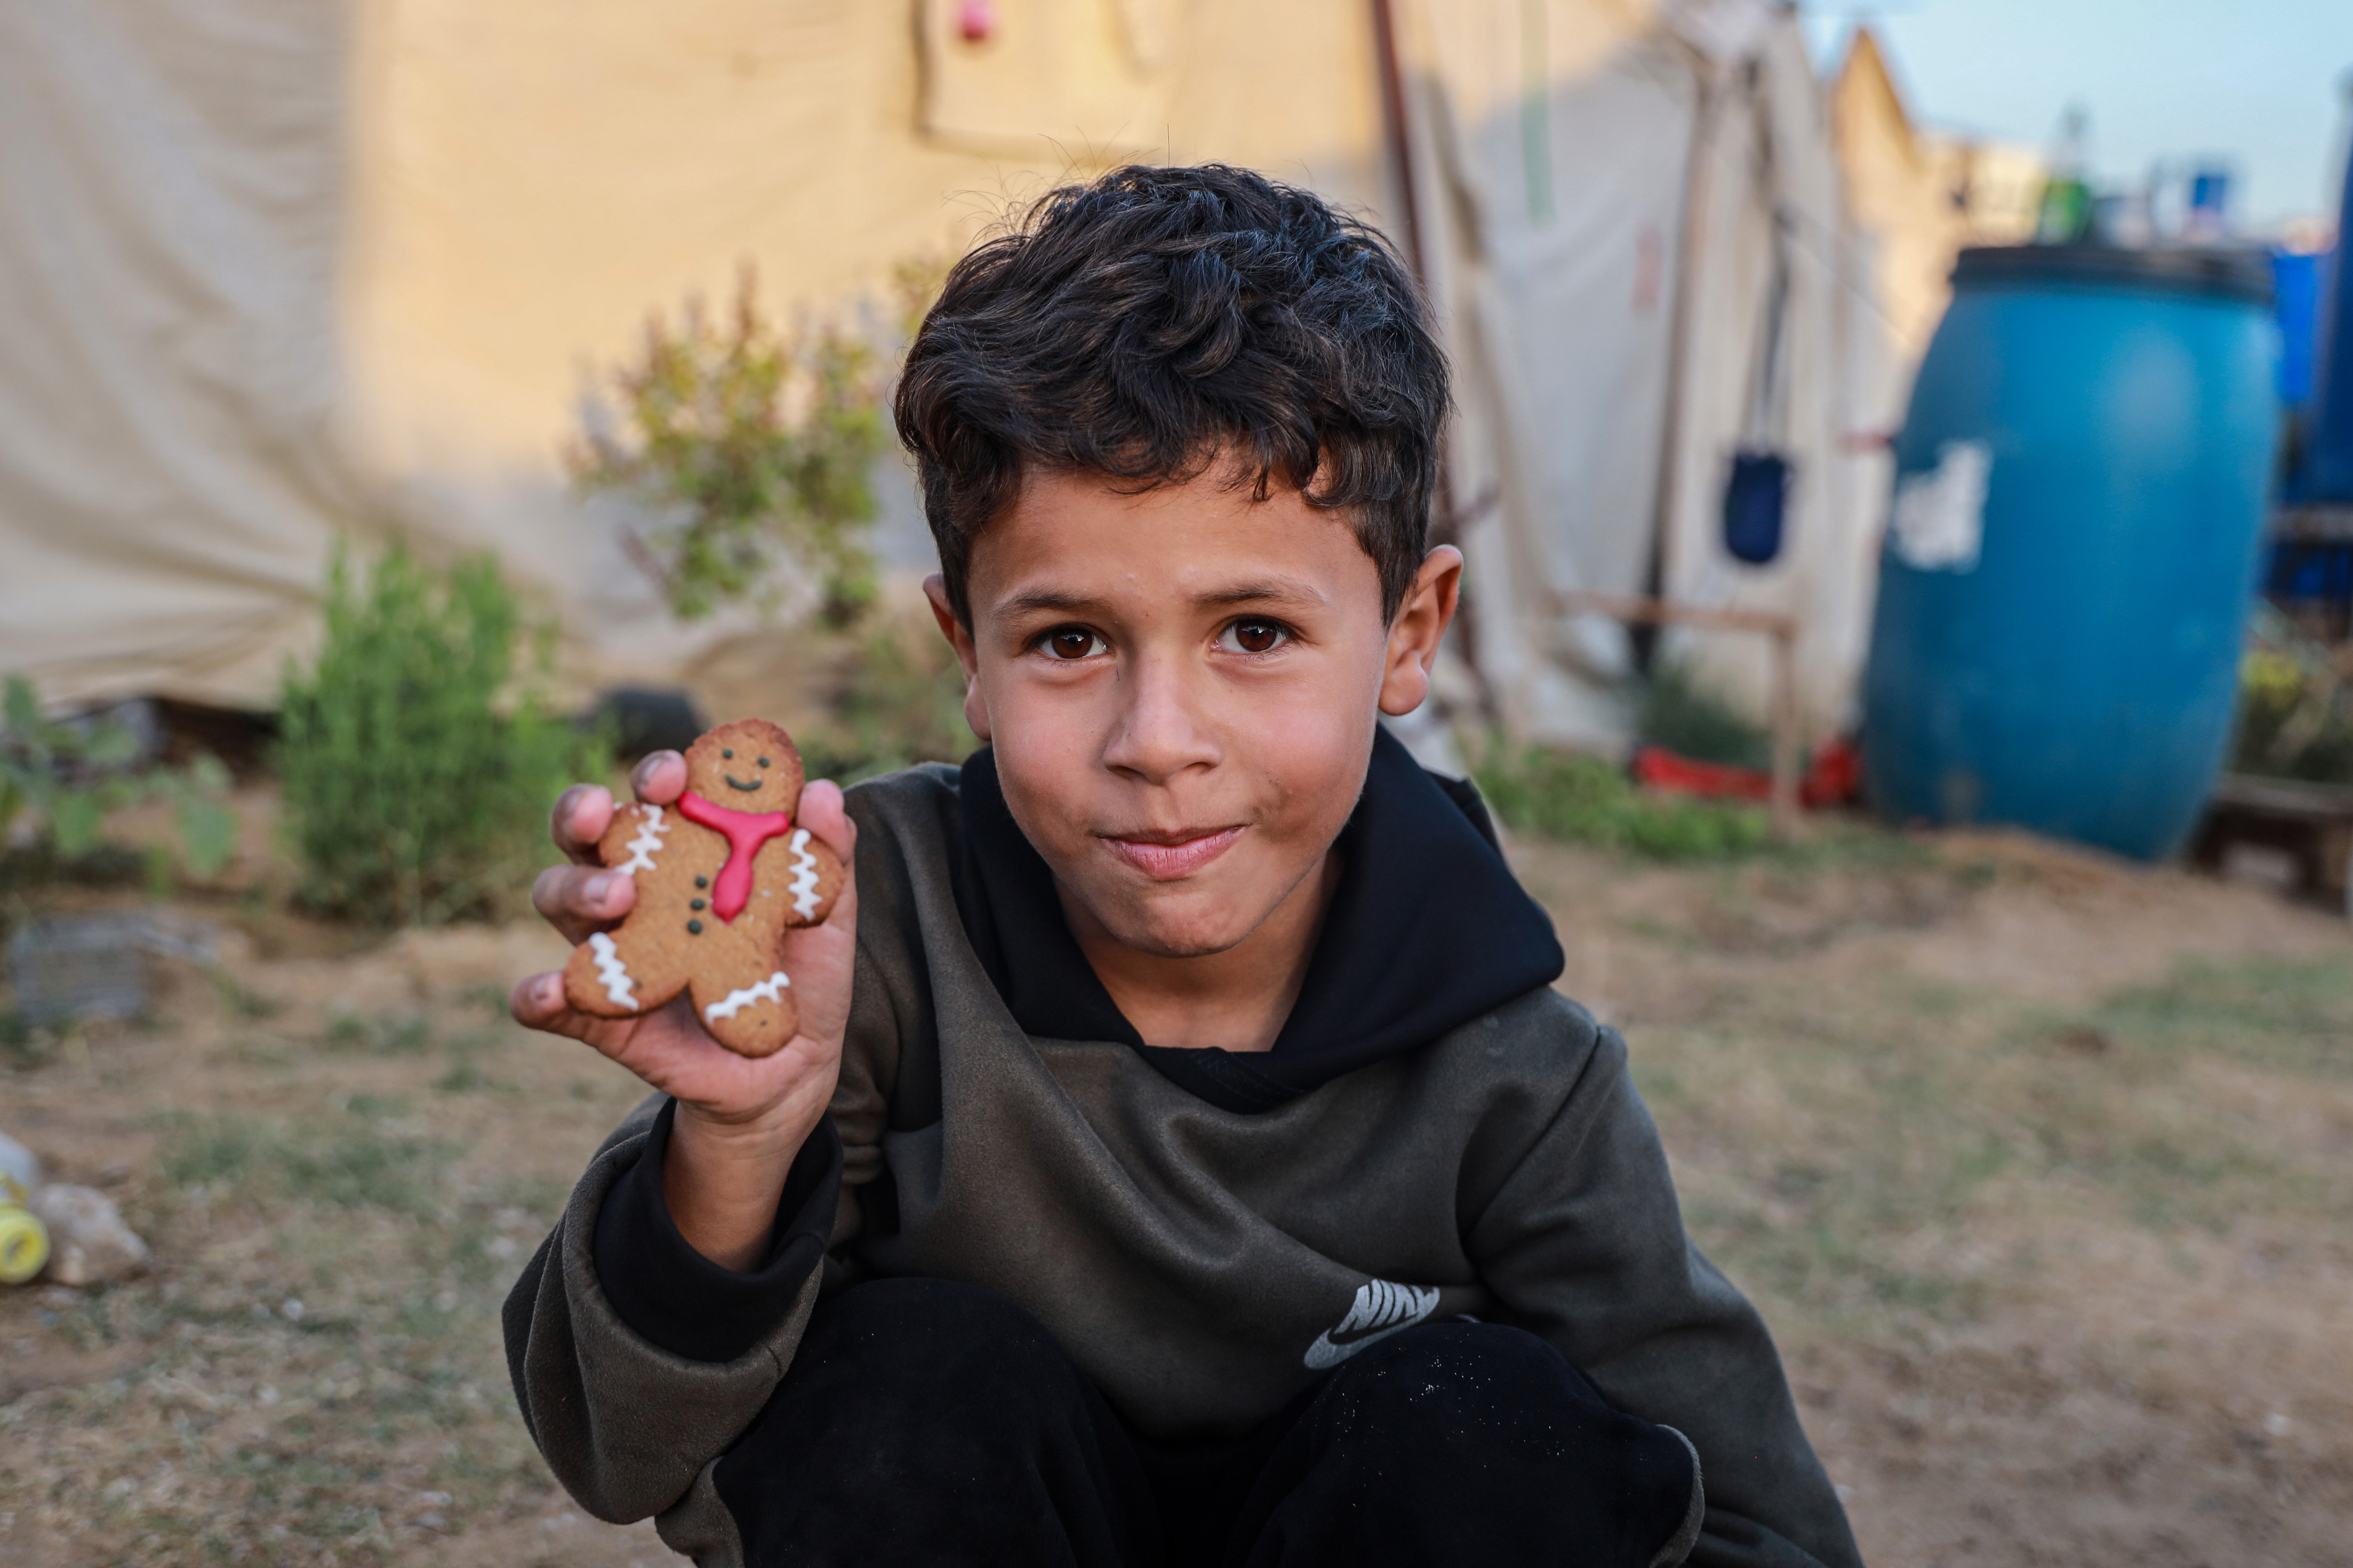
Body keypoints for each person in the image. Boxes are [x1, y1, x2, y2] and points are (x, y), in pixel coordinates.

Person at [504, 164, 1862, 1568]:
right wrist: (738, 1144)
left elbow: (1766, 1537)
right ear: (968, 653)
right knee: (904, 1386)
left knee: (1481, 1426)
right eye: (1070, 641)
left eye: (1255, 633)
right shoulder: (855, 939)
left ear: (1409, 632)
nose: (1159, 743)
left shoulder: (1516, 1078)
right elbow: (625, 1454)